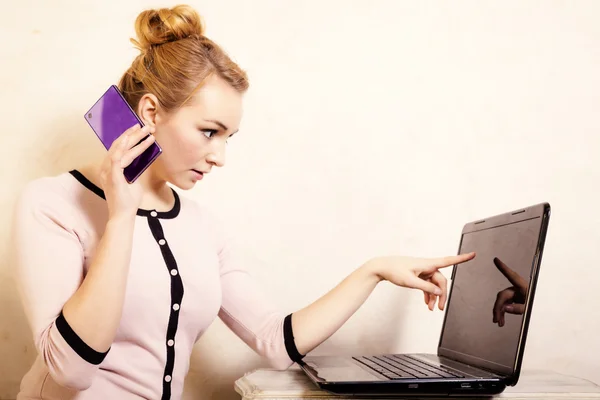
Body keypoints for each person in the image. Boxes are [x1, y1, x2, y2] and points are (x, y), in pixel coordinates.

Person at [10, 5, 475, 400]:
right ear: (150, 113)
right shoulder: (52, 204)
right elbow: (69, 372)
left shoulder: (202, 227)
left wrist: (373, 270)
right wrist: (121, 216)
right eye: (209, 132)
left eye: (229, 137)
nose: (220, 156)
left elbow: (273, 340)